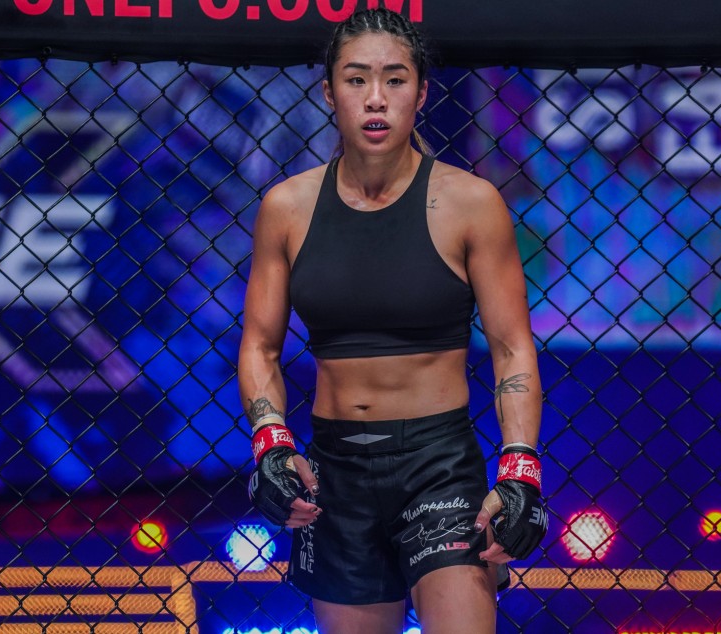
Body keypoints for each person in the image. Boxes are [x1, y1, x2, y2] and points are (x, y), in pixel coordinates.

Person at [238, 8, 547, 633]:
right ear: (330, 93)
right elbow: (260, 347)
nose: (375, 98)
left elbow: (513, 347)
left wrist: (521, 470)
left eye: (395, 79)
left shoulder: (470, 204)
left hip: (438, 464)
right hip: (336, 469)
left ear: (421, 92)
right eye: (356, 79)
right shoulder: (287, 207)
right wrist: (271, 443)